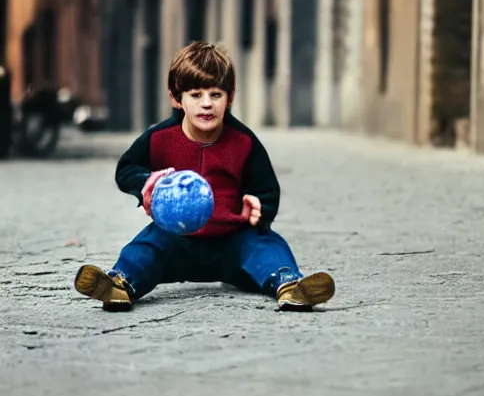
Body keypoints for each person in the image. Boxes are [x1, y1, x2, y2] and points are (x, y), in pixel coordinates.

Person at [74, 40, 335, 312]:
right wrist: (147, 183)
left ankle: (291, 286)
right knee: (145, 247)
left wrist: (260, 209)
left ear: (230, 97)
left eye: (216, 94)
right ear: (177, 98)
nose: (207, 104)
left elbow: (267, 189)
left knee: (268, 246)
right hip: (177, 239)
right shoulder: (159, 139)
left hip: (233, 240)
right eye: (196, 95)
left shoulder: (244, 142)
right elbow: (125, 169)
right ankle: (118, 284)